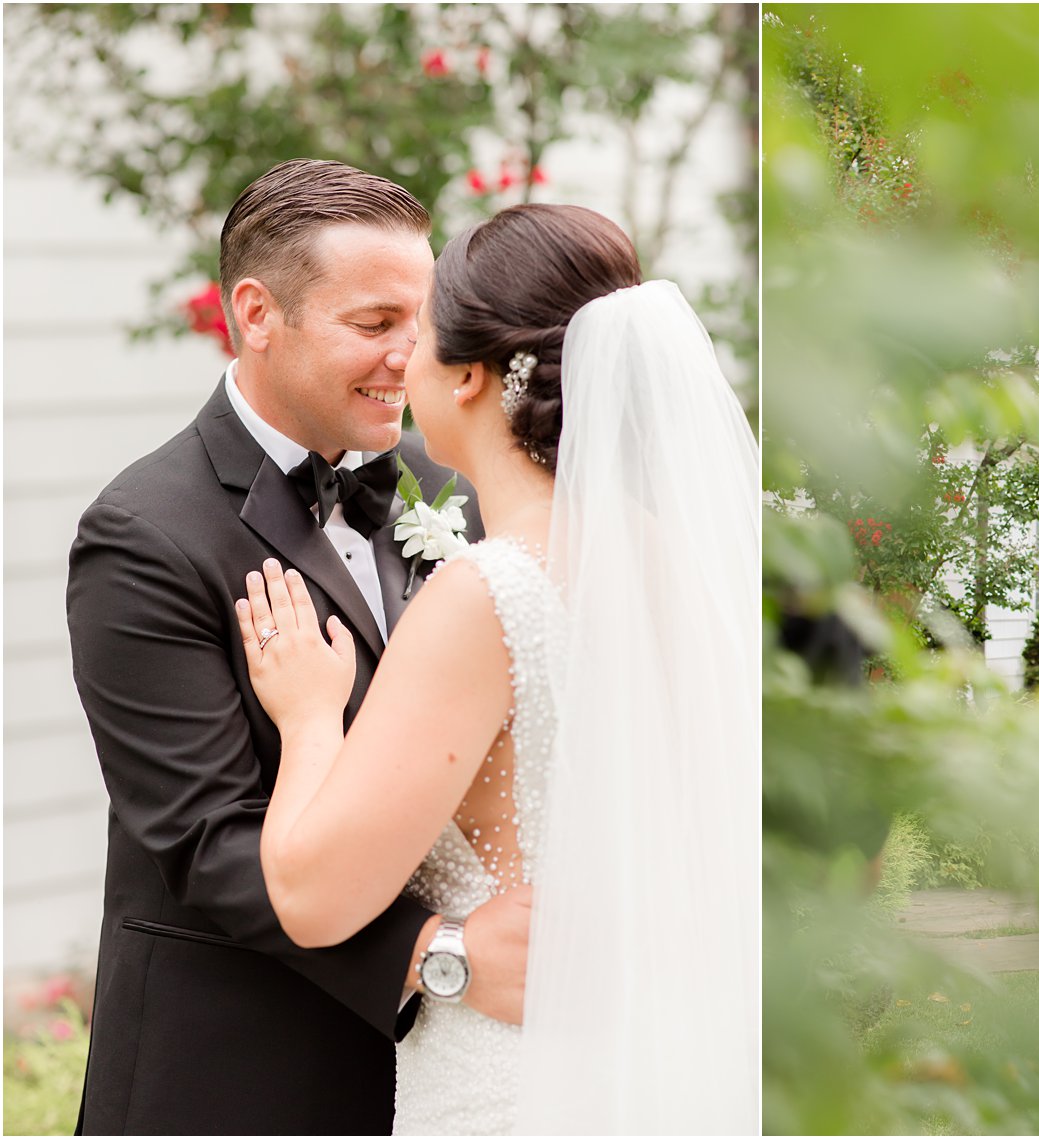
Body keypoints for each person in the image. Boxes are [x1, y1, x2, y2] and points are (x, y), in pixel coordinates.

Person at [235, 203, 759, 1133]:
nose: (402, 360)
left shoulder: (490, 592)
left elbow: (313, 900)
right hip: (646, 1063)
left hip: (516, 1082)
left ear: (471, 375)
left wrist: (312, 717)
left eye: (421, 334)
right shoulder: (676, 562)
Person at [66, 159, 531, 1136]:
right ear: (256, 312)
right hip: (239, 1068)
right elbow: (207, 839)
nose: (412, 356)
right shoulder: (143, 533)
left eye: (424, 319)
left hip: (451, 1072)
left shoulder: (446, 482)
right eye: (373, 324)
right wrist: (441, 954)